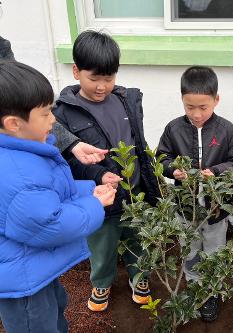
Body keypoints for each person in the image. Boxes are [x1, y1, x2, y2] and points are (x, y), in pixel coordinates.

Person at [0, 61, 116, 332]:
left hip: (32, 266)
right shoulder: (17, 174)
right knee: (38, 324)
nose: (53, 120)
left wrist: (88, 190)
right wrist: (94, 204)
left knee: (55, 311)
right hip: (23, 284)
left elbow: (48, 192)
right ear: (14, 123)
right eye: (45, 113)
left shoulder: (25, 149)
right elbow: (50, 224)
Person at [53, 30, 159, 312]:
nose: (102, 86)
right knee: (101, 243)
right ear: (76, 71)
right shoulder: (63, 112)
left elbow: (139, 143)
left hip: (135, 192)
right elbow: (69, 160)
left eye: (108, 78)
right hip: (99, 195)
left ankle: (141, 277)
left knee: (139, 237)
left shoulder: (126, 100)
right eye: (94, 78)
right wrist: (98, 175)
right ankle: (101, 281)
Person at [156, 65, 233, 321]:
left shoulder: (227, 130)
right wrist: (174, 170)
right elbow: (162, 158)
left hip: (216, 209)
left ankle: (212, 291)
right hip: (185, 209)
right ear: (182, 100)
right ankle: (195, 287)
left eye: (203, 107)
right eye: (189, 107)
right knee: (190, 249)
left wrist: (215, 171)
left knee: (214, 250)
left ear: (216, 100)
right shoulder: (173, 128)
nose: (196, 114)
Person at [0, 34, 108, 165]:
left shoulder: (46, 147)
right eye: (46, 114)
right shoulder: (24, 167)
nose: (54, 119)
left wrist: (88, 186)